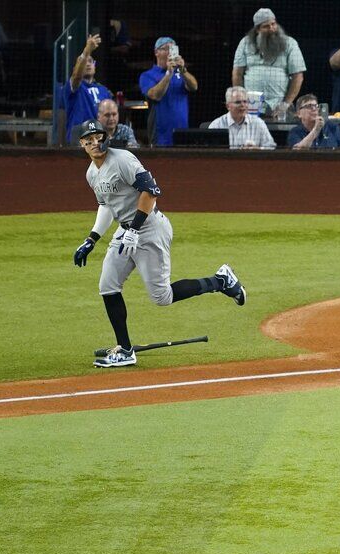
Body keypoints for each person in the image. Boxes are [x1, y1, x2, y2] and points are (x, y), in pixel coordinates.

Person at [71, 120, 246, 369]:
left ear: (105, 137)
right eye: (88, 140)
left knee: (161, 297)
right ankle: (125, 349)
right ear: (82, 145)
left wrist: (134, 229)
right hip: (126, 231)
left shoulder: (123, 160)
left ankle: (221, 281)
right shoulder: (92, 173)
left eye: (98, 137)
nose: (94, 143)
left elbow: (150, 191)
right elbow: (106, 205)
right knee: (107, 286)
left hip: (150, 229)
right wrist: (91, 239)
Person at [232, 8, 305, 120]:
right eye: (266, 26)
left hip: (280, 104)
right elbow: (237, 74)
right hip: (251, 104)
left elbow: (298, 76)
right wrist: (241, 100)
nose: (272, 29)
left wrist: (285, 104)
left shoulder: (290, 43)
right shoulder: (245, 43)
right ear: (257, 29)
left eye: (273, 24)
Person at [139, 36, 198, 147]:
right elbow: (155, 95)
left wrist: (183, 70)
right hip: (160, 134)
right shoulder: (147, 75)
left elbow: (194, 86)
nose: (170, 52)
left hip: (182, 132)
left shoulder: (180, 73)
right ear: (157, 52)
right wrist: (168, 74)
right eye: (166, 48)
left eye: (173, 48)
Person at [66, 34, 113, 143]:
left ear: (95, 66)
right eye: (83, 61)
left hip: (100, 139)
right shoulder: (73, 87)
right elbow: (77, 76)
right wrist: (87, 51)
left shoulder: (104, 90)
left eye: (90, 61)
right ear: (75, 68)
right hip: (80, 138)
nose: (87, 64)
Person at [208, 86, 276, 149]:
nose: (243, 105)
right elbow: (208, 151)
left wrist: (258, 149)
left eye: (245, 102)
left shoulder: (258, 123)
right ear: (228, 106)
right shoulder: (216, 125)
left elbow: (271, 146)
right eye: (238, 102)